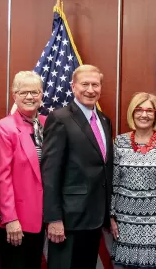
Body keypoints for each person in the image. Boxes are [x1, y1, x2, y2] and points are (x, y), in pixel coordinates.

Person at [41, 65, 113, 269]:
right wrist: (54, 218)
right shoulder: (60, 118)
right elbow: (50, 172)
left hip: (96, 217)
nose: (90, 90)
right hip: (68, 219)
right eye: (85, 84)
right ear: (73, 87)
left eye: (95, 84)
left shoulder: (105, 120)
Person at [110, 92, 156, 268]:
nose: (144, 115)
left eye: (149, 111)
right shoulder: (120, 142)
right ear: (132, 112)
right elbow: (113, 184)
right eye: (139, 110)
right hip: (124, 223)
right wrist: (111, 217)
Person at [0, 71, 47, 269]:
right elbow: (2, 177)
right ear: (14, 95)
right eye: (23, 92)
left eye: (35, 92)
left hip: (41, 217)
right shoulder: (5, 128)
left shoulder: (46, 123)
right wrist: (10, 219)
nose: (29, 97)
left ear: (42, 95)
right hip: (16, 220)